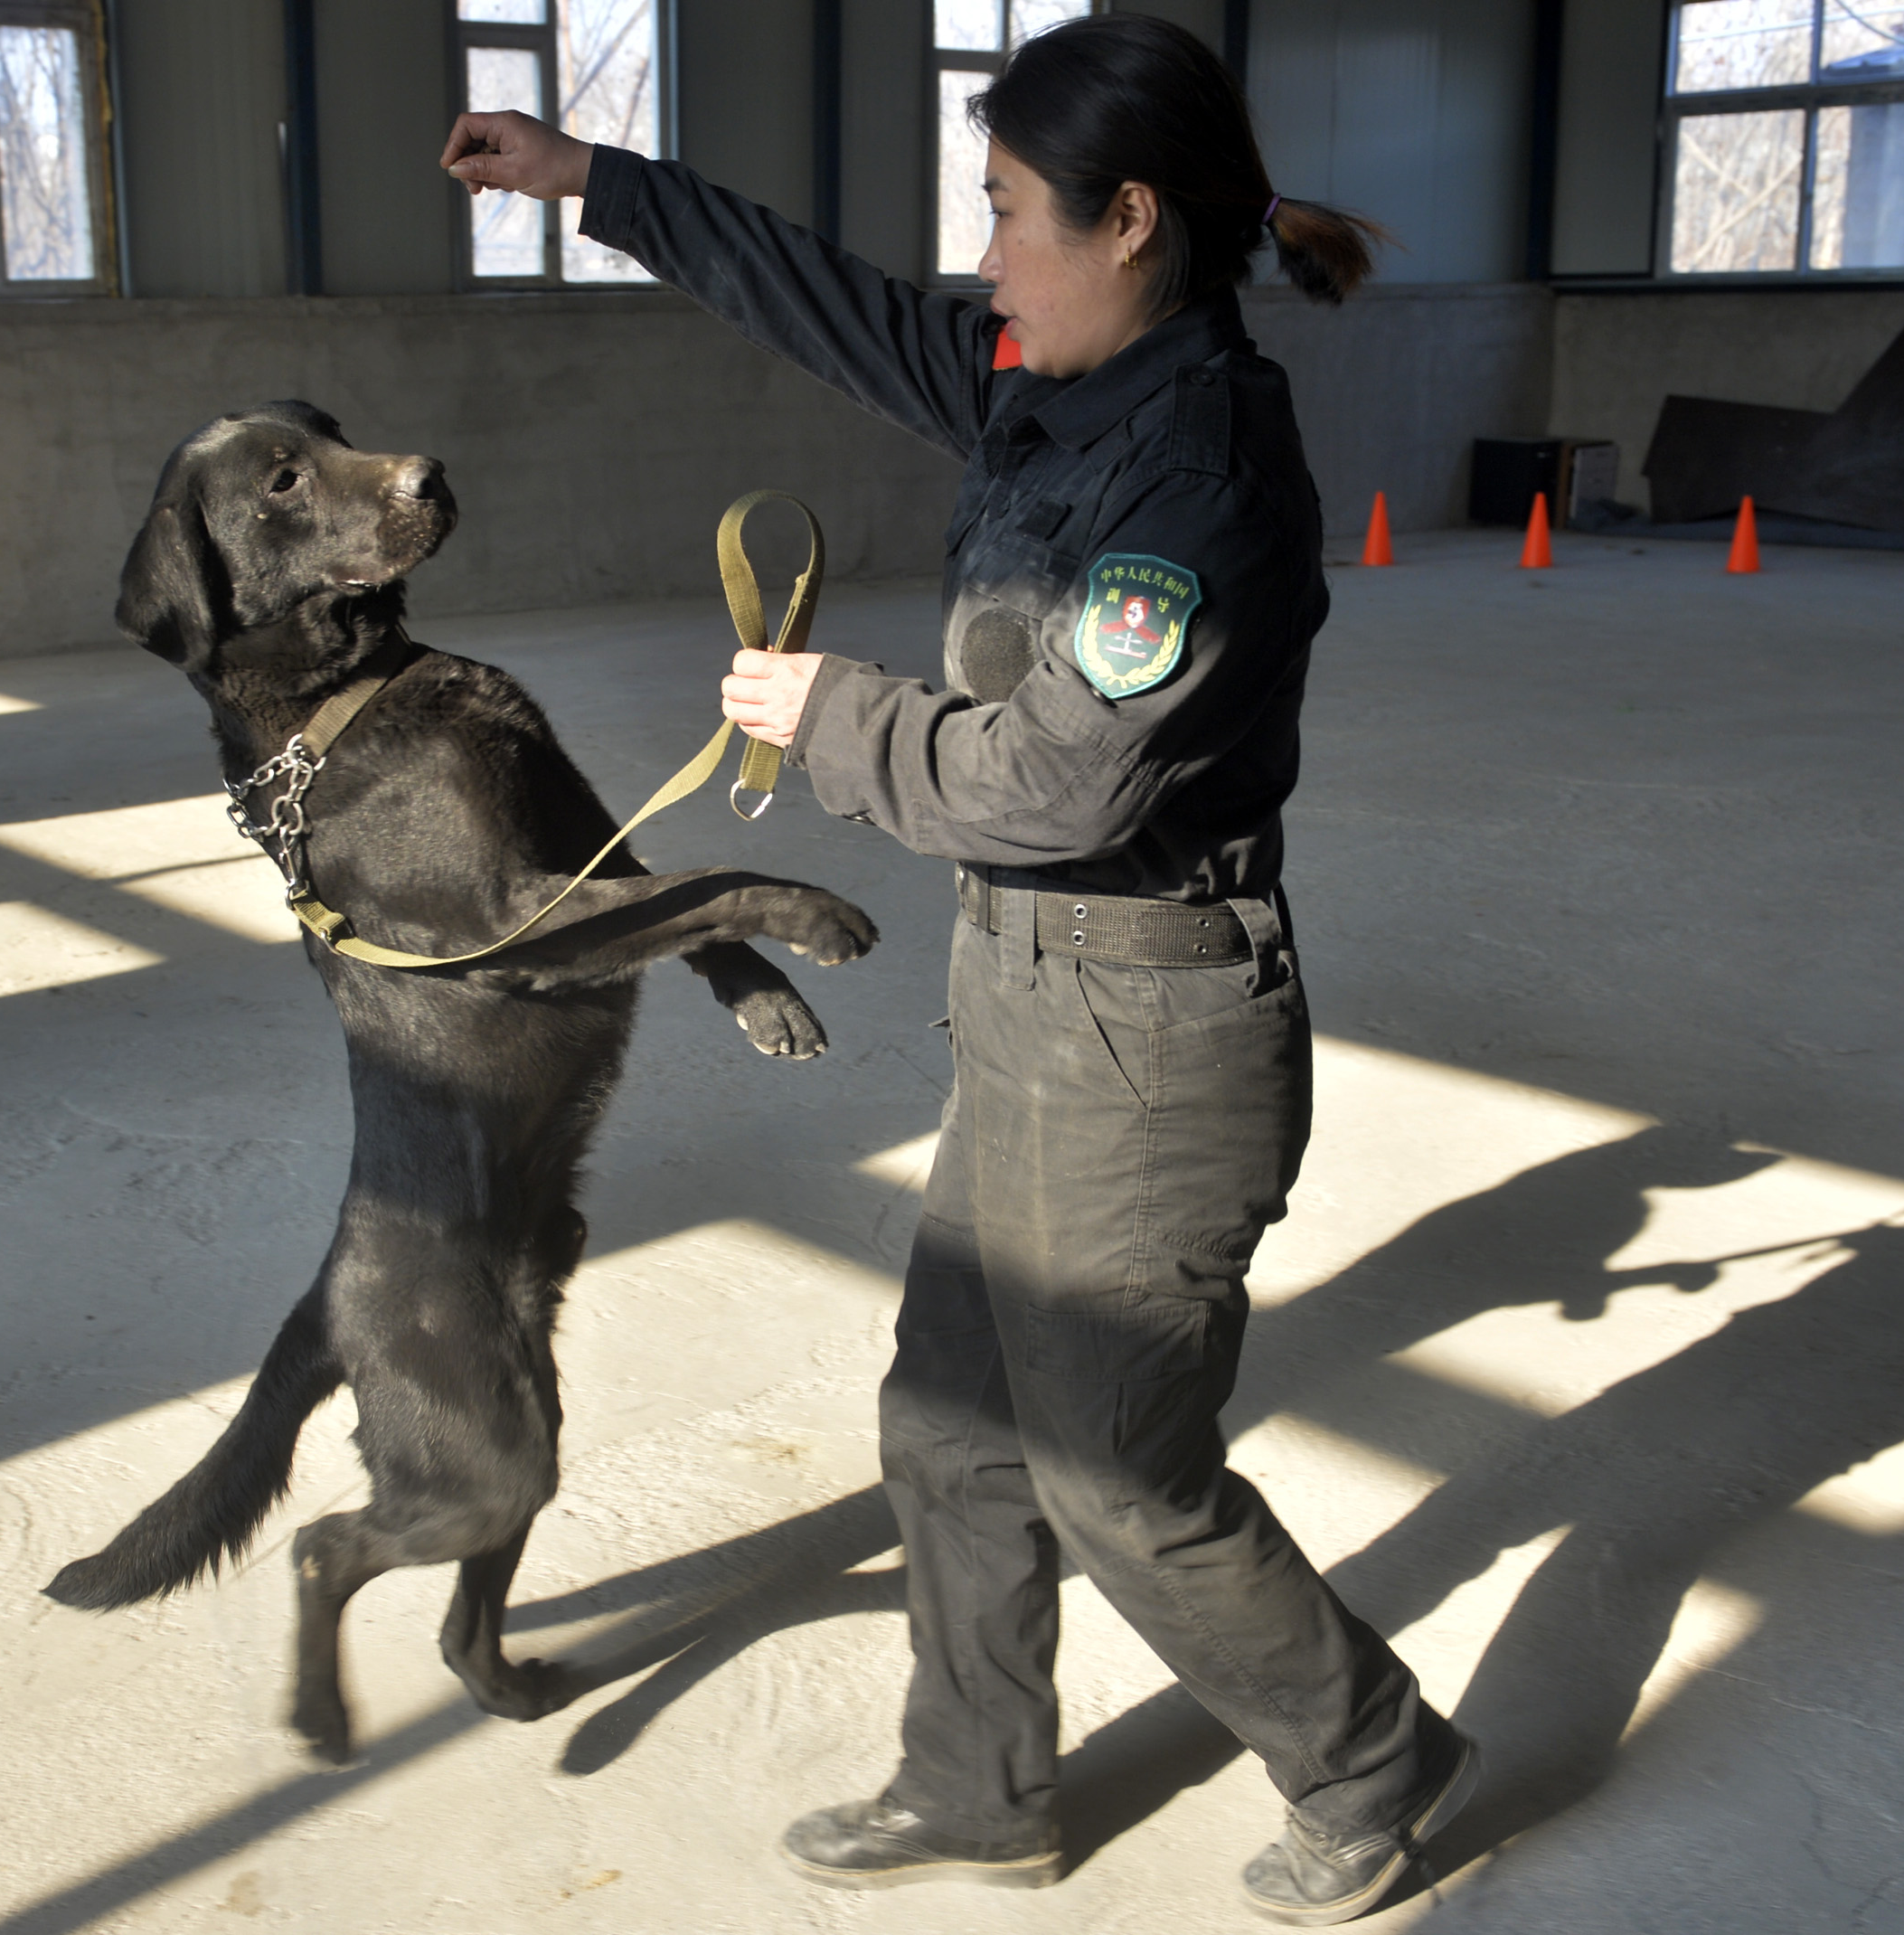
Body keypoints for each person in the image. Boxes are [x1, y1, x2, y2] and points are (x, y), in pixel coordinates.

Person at [440, 15, 1474, 1925]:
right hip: (1032, 1005)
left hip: (1153, 1029)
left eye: (1009, 215)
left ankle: (1370, 1753)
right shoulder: (1051, 380)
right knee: (949, 1416)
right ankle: (980, 1781)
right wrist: (598, 181)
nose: (984, 257)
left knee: (1115, 1466)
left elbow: (1058, 779)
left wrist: (836, 716)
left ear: (1133, 220)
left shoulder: (1197, 482)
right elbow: (838, 306)